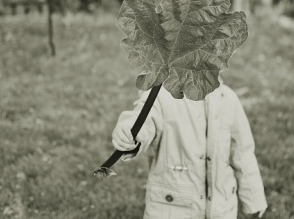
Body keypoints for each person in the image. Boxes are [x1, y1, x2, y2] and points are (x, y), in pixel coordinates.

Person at [112, 79, 268, 219]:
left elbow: (243, 153)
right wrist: (129, 132)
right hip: (172, 208)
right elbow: (143, 118)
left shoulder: (228, 98)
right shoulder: (164, 95)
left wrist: (254, 199)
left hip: (222, 209)